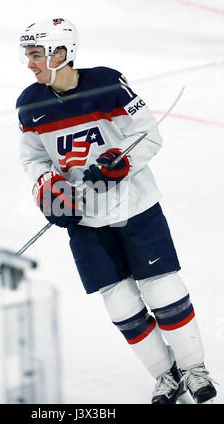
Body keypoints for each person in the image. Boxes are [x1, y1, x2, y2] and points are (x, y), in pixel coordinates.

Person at [16, 18, 217, 404]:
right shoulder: (29, 104)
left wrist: (121, 161)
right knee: (120, 302)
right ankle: (165, 376)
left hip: (136, 207)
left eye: (37, 55)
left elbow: (148, 135)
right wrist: (47, 187)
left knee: (163, 289)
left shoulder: (108, 83)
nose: (30, 64)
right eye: (28, 55)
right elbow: (33, 160)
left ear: (62, 53)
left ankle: (194, 369)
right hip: (84, 221)